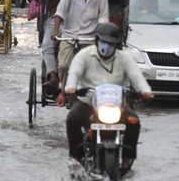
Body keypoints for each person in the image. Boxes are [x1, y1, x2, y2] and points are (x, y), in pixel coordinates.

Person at [65, 23, 153, 172]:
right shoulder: (84, 55)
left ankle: (126, 161)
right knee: (72, 118)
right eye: (103, 41)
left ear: (116, 44)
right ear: (97, 41)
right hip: (88, 102)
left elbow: (136, 76)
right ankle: (77, 158)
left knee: (134, 121)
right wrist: (71, 87)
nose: (106, 45)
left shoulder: (124, 58)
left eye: (111, 43)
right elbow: (74, 72)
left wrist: (145, 91)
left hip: (116, 104)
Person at [52, 0, 109, 106]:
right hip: (69, 36)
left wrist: (101, 37)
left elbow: (103, 19)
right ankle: (64, 91)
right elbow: (60, 12)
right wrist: (56, 31)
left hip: (89, 37)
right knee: (64, 65)